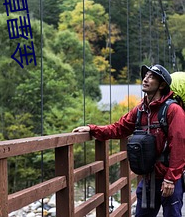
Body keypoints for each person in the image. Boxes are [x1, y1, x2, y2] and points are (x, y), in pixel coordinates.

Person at [72, 64, 185, 217]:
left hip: (168, 178)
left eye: (151, 77)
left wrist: (171, 179)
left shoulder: (173, 110)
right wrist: (92, 129)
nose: (145, 79)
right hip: (148, 178)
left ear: (162, 85)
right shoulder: (140, 110)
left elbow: (179, 145)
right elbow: (119, 128)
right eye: (145, 76)